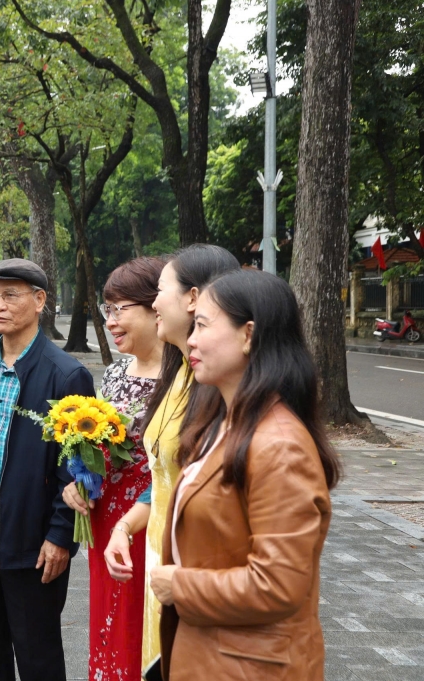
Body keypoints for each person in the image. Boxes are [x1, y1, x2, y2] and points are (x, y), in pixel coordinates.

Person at [151, 270, 340, 680]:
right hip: (211, 655)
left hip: (251, 666)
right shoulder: (224, 421)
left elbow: (276, 584)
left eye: (202, 325)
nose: (192, 339)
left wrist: (179, 586)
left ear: (248, 334)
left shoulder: (280, 445)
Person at [0, 258, 95, 681]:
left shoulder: (67, 374)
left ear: (39, 301)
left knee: (36, 644)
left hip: (34, 523)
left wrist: (60, 536)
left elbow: (79, 470)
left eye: (10, 295)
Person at [100, 244, 238, 677]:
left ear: (194, 298)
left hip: (196, 574)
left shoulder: (217, 386)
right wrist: (123, 525)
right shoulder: (182, 374)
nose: (155, 302)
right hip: (161, 556)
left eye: (159, 291)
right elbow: (166, 477)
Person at [62, 257, 164, 681]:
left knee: (141, 623)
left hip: (147, 517)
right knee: (105, 617)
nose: (111, 321)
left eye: (121, 308)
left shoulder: (182, 379)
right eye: (108, 309)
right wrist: (77, 481)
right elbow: (97, 441)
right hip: (104, 516)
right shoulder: (118, 371)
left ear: (157, 308)